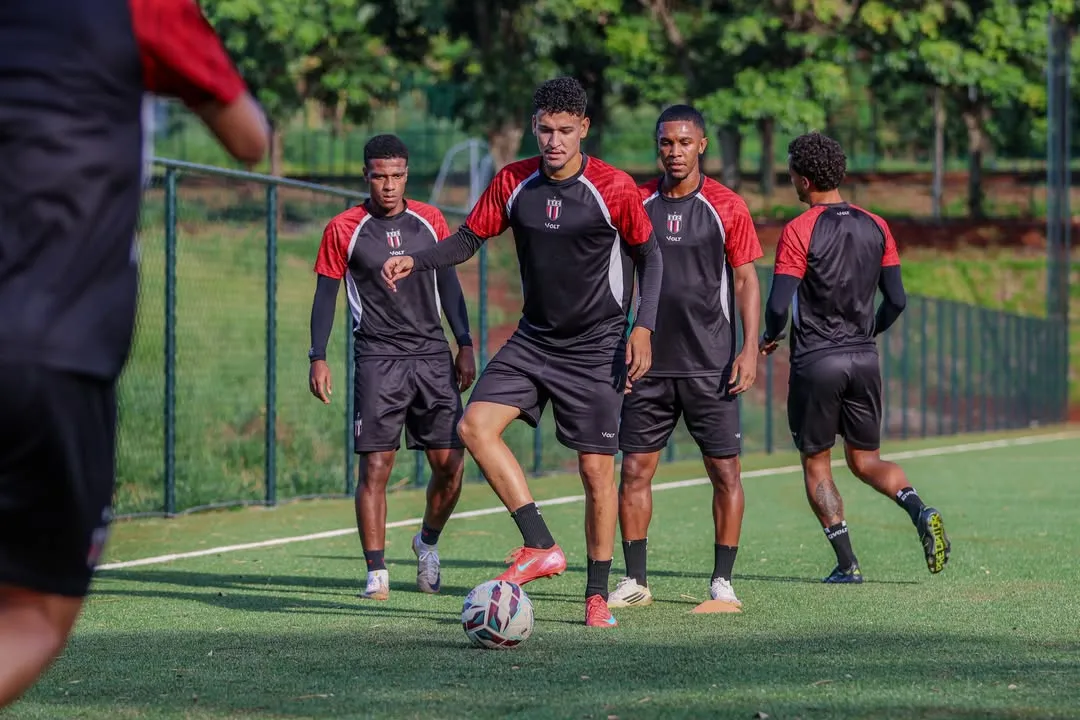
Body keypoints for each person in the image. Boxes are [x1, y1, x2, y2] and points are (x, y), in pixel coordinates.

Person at [0, 0, 269, 709]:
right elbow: (250, 137)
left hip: (50, 352)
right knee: (36, 610)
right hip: (52, 353)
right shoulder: (140, 9)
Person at [381, 77, 663, 627]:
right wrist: (417, 258)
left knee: (596, 472)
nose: (554, 141)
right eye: (545, 129)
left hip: (597, 346)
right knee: (474, 426)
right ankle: (540, 544)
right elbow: (468, 239)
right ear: (534, 127)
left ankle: (596, 595)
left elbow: (650, 258)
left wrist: (644, 327)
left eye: (565, 130)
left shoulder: (614, 187)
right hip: (533, 340)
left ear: (584, 128)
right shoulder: (513, 181)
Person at [759, 131, 950, 583]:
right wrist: (869, 332)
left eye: (791, 173)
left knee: (816, 462)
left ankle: (848, 564)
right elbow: (897, 300)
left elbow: (778, 304)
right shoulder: (877, 225)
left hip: (817, 361)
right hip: (864, 359)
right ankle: (920, 510)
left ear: (804, 180)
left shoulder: (800, 229)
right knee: (866, 460)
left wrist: (770, 335)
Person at [608, 105, 763, 610]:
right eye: (666, 143)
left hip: (711, 365)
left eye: (684, 142)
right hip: (646, 365)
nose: (674, 152)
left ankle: (722, 581)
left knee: (725, 473)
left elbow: (746, 280)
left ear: (702, 145)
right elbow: (619, 276)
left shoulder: (727, 205)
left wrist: (748, 350)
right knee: (634, 470)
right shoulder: (638, 202)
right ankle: (635, 580)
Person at [309, 134, 475, 601]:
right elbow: (325, 296)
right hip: (378, 358)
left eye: (397, 176)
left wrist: (464, 343)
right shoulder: (343, 228)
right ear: (366, 175)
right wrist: (317, 356)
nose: (388, 185)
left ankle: (427, 543)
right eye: (380, 176)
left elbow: (450, 286)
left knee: (450, 465)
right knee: (377, 466)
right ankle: (376, 572)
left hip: (432, 355)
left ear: (407, 176)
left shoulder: (431, 220)